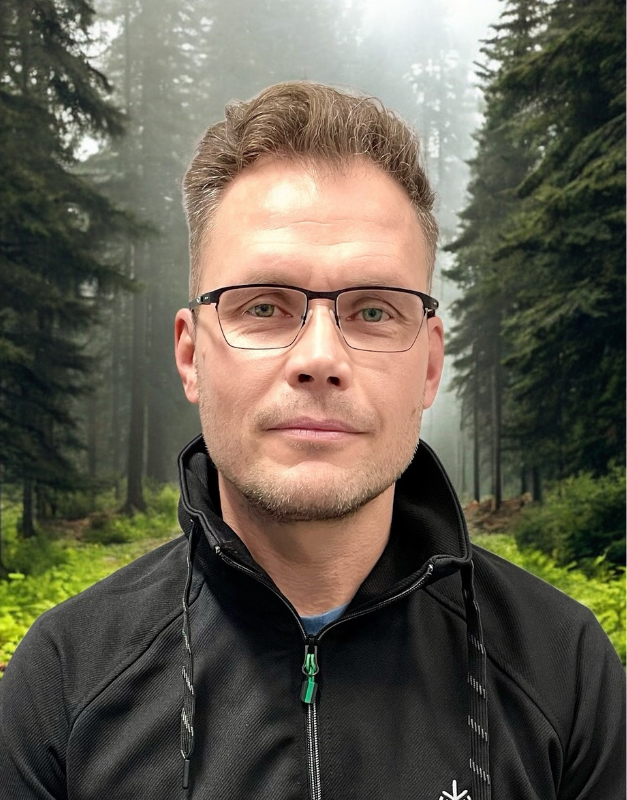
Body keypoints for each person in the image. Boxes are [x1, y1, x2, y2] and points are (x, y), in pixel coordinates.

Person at [0, 81, 624, 800]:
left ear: (429, 365)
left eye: (373, 311)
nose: (320, 357)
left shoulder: (564, 671)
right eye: (264, 306)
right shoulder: (63, 680)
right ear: (191, 355)